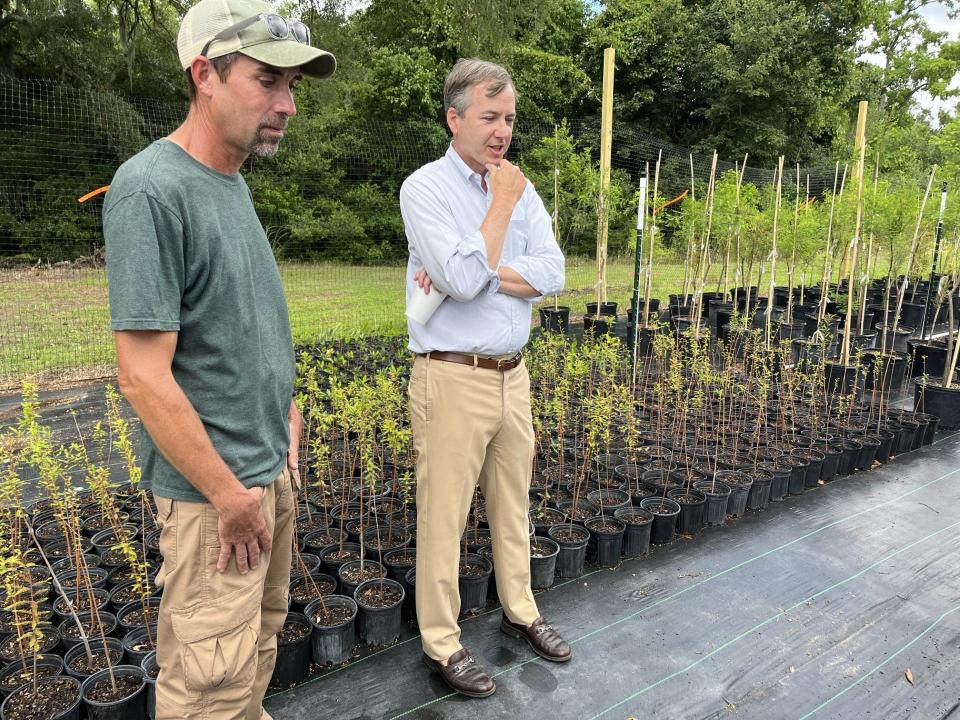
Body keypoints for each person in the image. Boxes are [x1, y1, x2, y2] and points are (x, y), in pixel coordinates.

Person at [102, 0, 335, 716]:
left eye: (293, 86)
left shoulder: (227, 181)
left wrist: (283, 410)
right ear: (205, 73)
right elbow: (141, 375)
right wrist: (230, 496)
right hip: (217, 497)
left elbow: (230, 326)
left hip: (263, 473)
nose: (287, 104)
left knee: (255, 648)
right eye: (269, 81)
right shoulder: (151, 189)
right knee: (209, 684)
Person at [400, 58, 571, 699]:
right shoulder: (425, 190)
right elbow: (462, 281)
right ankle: (442, 642)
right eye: (490, 117)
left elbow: (552, 271)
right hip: (452, 379)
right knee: (444, 516)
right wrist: (497, 211)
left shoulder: (522, 187)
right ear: (455, 118)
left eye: (509, 118)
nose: (503, 131)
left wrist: (481, 268)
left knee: (513, 506)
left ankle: (521, 610)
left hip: (513, 376)